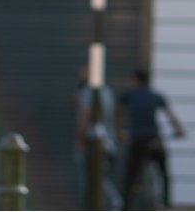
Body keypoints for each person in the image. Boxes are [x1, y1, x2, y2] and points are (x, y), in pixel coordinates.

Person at [119, 69, 185, 210]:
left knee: (130, 175)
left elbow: (118, 111)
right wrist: (179, 130)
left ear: (135, 80)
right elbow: (171, 116)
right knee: (164, 172)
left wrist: (119, 131)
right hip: (154, 139)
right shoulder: (155, 96)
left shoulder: (130, 94)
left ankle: (125, 205)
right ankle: (166, 203)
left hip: (137, 139)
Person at [74, 67, 122, 210]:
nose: (80, 74)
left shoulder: (89, 92)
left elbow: (85, 116)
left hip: (93, 143)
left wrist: (80, 140)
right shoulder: (107, 91)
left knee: (92, 180)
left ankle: (113, 202)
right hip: (110, 143)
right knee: (101, 179)